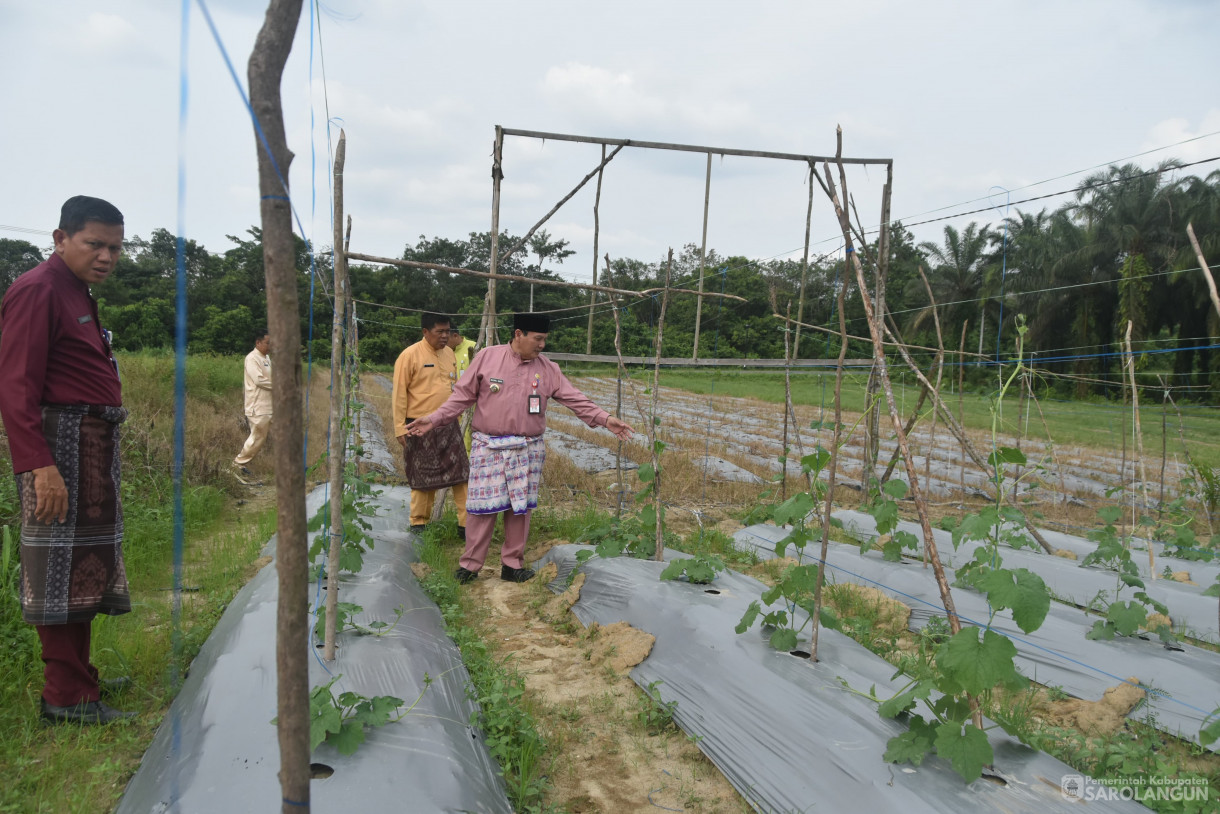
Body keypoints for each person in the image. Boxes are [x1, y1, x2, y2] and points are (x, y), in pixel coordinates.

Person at [0, 196, 136, 725]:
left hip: (89, 443)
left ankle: (80, 674)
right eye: (94, 244)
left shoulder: (74, 291)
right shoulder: (37, 290)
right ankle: (65, 695)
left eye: (115, 248)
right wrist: (40, 465)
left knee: (82, 564)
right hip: (58, 446)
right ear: (60, 239)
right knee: (55, 566)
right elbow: (15, 387)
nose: (106, 257)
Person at [406, 312, 633, 583]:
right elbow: (461, 397)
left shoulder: (548, 369)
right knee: (480, 509)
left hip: (527, 448)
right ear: (518, 334)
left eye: (544, 340)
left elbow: (576, 400)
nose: (542, 345)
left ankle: (512, 565)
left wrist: (606, 420)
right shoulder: (488, 358)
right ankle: (470, 566)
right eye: (537, 339)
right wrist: (433, 419)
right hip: (488, 447)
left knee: (519, 509)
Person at [393, 313, 469, 538]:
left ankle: (466, 525)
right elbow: (398, 394)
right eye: (440, 332)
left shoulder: (449, 354)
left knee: (461, 474)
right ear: (425, 331)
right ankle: (419, 525)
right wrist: (399, 427)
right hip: (417, 425)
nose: (446, 336)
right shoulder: (409, 356)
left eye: (447, 331)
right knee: (423, 477)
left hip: (448, 423)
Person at [233, 330, 272, 481]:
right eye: (268, 343)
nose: (270, 346)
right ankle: (238, 464)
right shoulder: (252, 358)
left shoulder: (266, 358)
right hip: (258, 405)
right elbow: (259, 380)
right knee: (258, 437)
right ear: (258, 342)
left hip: (271, 405)